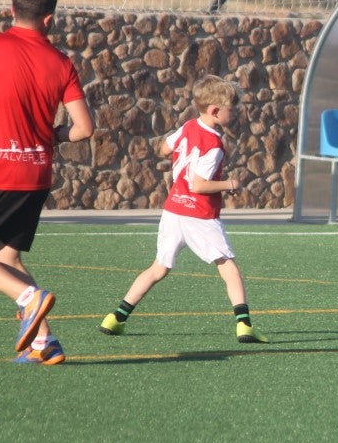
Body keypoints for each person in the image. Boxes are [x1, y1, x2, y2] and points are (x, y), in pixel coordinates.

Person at [98, 75, 268, 344]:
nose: (234, 113)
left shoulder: (189, 125)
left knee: (158, 268)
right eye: (231, 108)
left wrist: (184, 140)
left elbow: (164, 148)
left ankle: (115, 318)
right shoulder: (214, 145)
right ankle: (244, 326)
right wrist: (229, 183)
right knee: (228, 267)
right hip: (198, 214)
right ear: (215, 110)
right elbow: (199, 184)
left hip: (174, 210)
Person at [0, 0, 95, 364]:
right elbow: (84, 129)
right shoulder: (62, 62)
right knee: (6, 259)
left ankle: (30, 298)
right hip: (35, 176)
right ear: (49, 19)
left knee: (12, 274)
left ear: (11, 11)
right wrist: (53, 134)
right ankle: (45, 342)